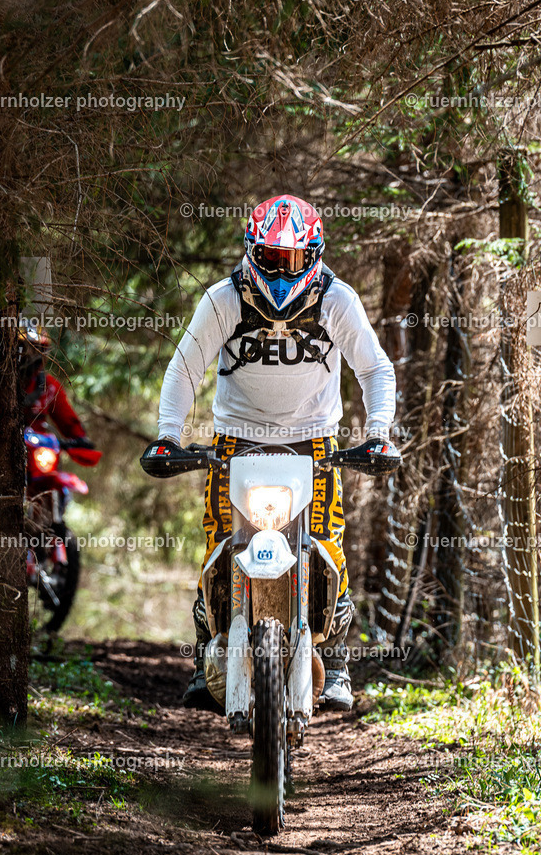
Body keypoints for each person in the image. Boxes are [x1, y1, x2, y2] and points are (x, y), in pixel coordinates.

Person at [156, 194, 398, 713]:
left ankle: (333, 661)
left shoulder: (337, 301)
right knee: (221, 544)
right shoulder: (223, 300)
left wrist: (378, 432)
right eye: (268, 258)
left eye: (290, 260)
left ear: (313, 256)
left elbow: (375, 369)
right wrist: (168, 436)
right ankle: (207, 654)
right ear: (250, 251)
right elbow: (183, 370)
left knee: (327, 544)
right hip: (236, 443)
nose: (280, 270)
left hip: (313, 443)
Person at [19, 319, 93, 446]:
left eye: (37, 349)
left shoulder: (49, 385)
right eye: (25, 348)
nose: (31, 355)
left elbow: (67, 417)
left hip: (38, 453)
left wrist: (79, 438)